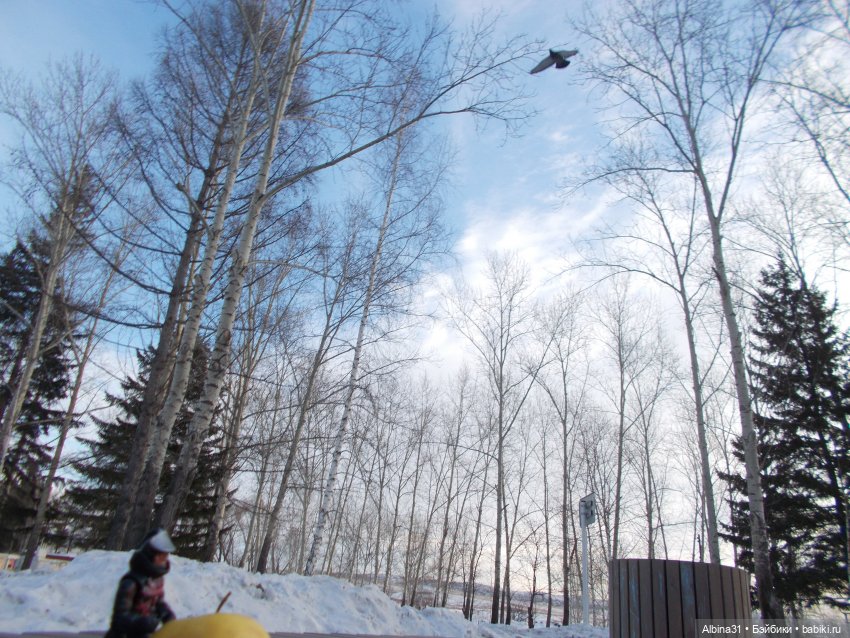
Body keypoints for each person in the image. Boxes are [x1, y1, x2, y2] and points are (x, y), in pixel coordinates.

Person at [105, 528, 177, 638]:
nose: (164, 560)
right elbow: (119, 619)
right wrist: (142, 622)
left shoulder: (157, 580)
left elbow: (158, 603)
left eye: (165, 556)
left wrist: (167, 615)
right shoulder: (131, 583)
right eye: (161, 556)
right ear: (151, 555)